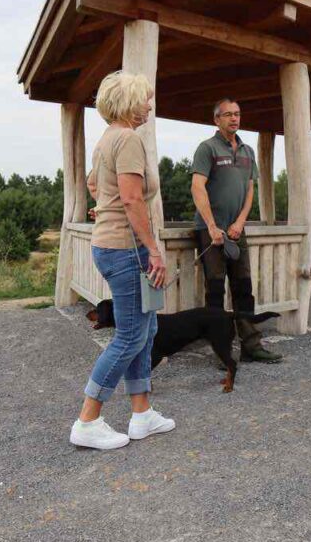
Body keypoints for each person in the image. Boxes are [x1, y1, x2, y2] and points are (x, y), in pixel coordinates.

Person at [69, 71, 175, 450]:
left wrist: (104, 208)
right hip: (126, 249)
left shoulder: (107, 140)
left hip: (110, 245)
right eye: (146, 99)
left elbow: (95, 184)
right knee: (131, 335)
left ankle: (142, 414)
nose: (149, 105)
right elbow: (131, 199)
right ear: (130, 101)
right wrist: (154, 249)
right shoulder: (128, 139)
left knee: (145, 332)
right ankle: (88, 420)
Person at [190, 99, 282, 363]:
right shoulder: (206, 149)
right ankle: (222, 351)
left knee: (244, 288)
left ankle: (251, 347)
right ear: (216, 120)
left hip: (236, 230)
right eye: (228, 114)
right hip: (211, 231)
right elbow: (197, 187)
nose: (234, 118)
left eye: (237, 114)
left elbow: (250, 188)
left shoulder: (247, 151)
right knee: (216, 291)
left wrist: (241, 222)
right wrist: (211, 225)